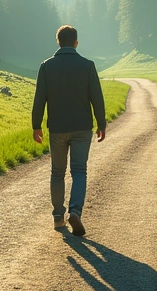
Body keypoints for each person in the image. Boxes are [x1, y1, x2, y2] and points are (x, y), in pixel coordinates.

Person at [32, 25, 107, 237]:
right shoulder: (87, 66)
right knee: (79, 171)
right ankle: (75, 211)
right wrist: (101, 123)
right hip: (82, 127)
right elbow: (97, 98)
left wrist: (36, 125)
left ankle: (58, 217)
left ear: (58, 42)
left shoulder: (46, 67)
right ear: (76, 42)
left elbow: (40, 99)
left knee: (57, 172)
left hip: (57, 128)